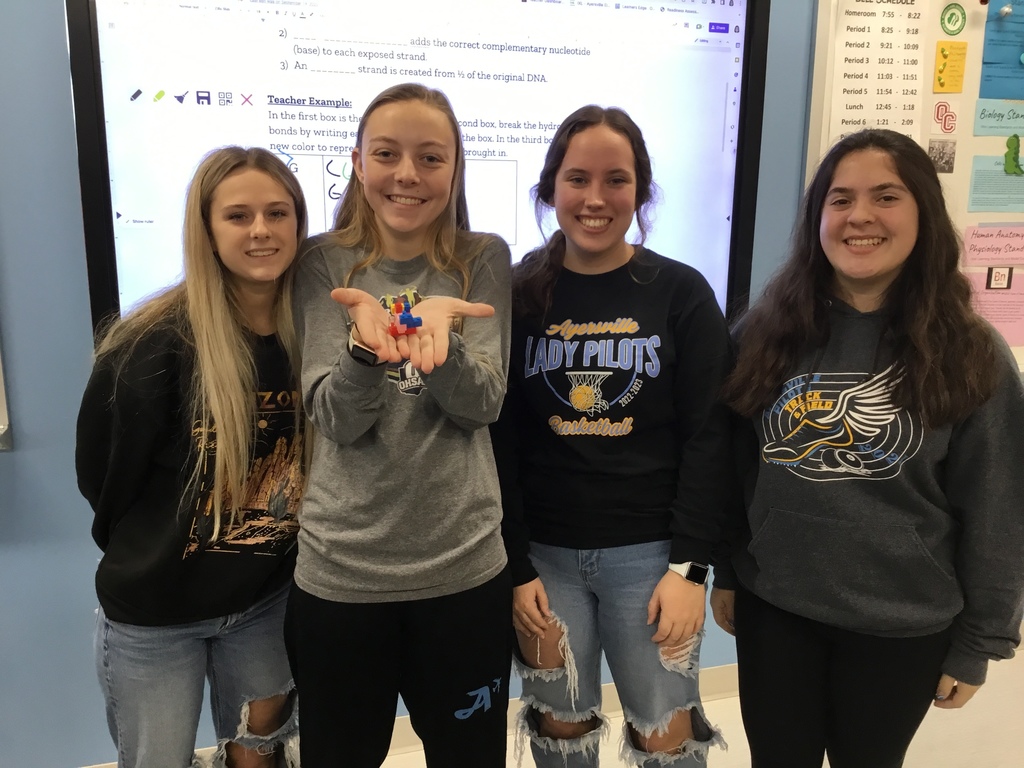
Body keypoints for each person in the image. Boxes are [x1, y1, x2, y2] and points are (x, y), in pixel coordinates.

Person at [714, 128, 1024, 768]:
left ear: (924, 214)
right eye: (840, 199)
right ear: (817, 219)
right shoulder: (764, 334)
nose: (860, 216)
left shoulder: (974, 356)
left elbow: (999, 511)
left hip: (902, 623)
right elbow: (732, 471)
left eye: (885, 196)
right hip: (777, 609)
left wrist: (981, 640)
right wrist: (727, 572)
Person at [492, 105, 733, 767]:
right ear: (551, 189)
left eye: (616, 180)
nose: (595, 198)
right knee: (559, 726)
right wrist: (515, 567)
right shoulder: (519, 294)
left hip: (651, 560)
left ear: (641, 191)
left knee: (665, 734)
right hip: (544, 560)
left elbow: (709, 436)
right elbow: (499, 443)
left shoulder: (680, 293)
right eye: (577, 179)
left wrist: (690, 568)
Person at [284, 83, 513, 768]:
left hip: (463, 571)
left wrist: (441, 354)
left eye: (430, 157)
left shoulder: (483, 259)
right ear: (358, 163)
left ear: (455, 168)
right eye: (386, 154)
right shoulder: (322, 264)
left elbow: (483, 405)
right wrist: (364, 352)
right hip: (343, 576)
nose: (407, 174)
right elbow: (336, 420)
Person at [76, 146, 308, 768]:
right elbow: (104, 479)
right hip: (155, 618)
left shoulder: (315, 336)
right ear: (206, 228)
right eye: (238, 215)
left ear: (298, 222)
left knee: (259, 759)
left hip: (264, 606)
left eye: (277, 213)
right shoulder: (149, 345)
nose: (261, 230)